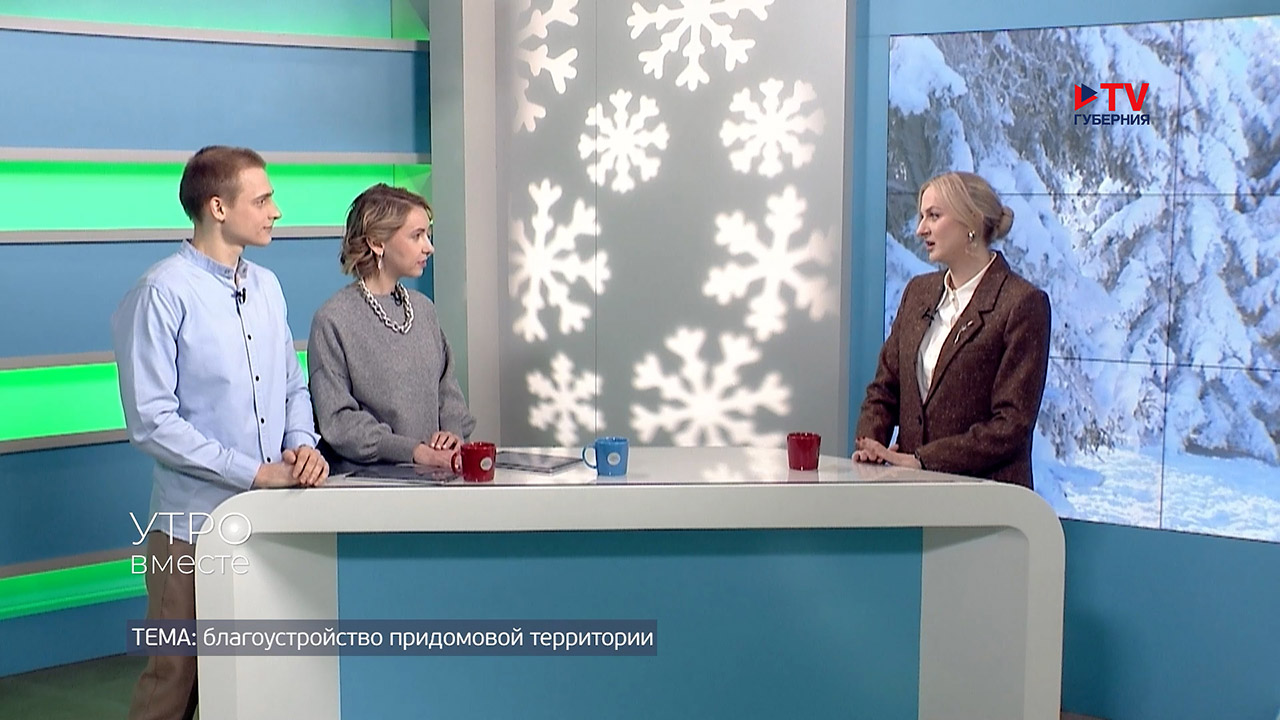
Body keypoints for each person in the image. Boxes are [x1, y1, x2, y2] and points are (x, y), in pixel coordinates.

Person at [112, 145, 329, 720]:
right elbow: (152, 422)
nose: (276, 211)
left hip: (269, 522)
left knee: (249, 680)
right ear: (217, 207)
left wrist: (302, 446)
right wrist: (254, 472)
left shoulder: (268, 287)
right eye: (263, 200)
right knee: (174, 681)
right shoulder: (161, 292)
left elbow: (292, 386)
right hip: (189, 528)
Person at [853, 171, 1051, 488]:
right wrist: (871, 445)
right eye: (922, 216)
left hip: (987, 498)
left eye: (934, 216)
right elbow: (884, 388)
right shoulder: (918, 293)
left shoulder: (1022, 304)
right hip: (912, 494)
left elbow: (1011, 424)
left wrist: (924, 460)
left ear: (971, 221)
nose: (920, 229)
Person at [308, 184, 476, 468]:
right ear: (377, 242)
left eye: (427, 234)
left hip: (436, 477)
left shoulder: (423, 309)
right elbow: (338, 420)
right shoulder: (332, 320)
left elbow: (447, 390)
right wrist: (413, 451)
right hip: (369, 485)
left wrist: (452, 434)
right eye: (416, 236)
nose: (429, 247)